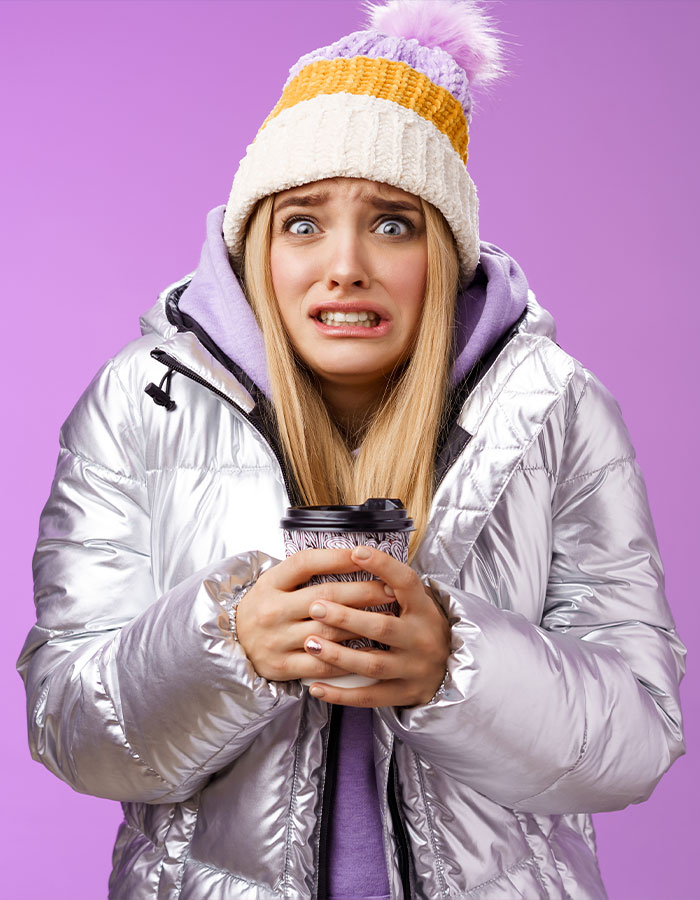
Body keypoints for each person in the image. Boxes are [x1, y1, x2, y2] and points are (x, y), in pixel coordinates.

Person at [17, 2, 685, 899]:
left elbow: (636, 740)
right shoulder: (141, 405)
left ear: (443, 250)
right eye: (302, 222)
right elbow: (70, 728)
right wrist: (222, 647)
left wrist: (459, 666)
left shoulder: (555, 409)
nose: (345, 266)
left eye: (393, 223)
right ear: (256, 245)